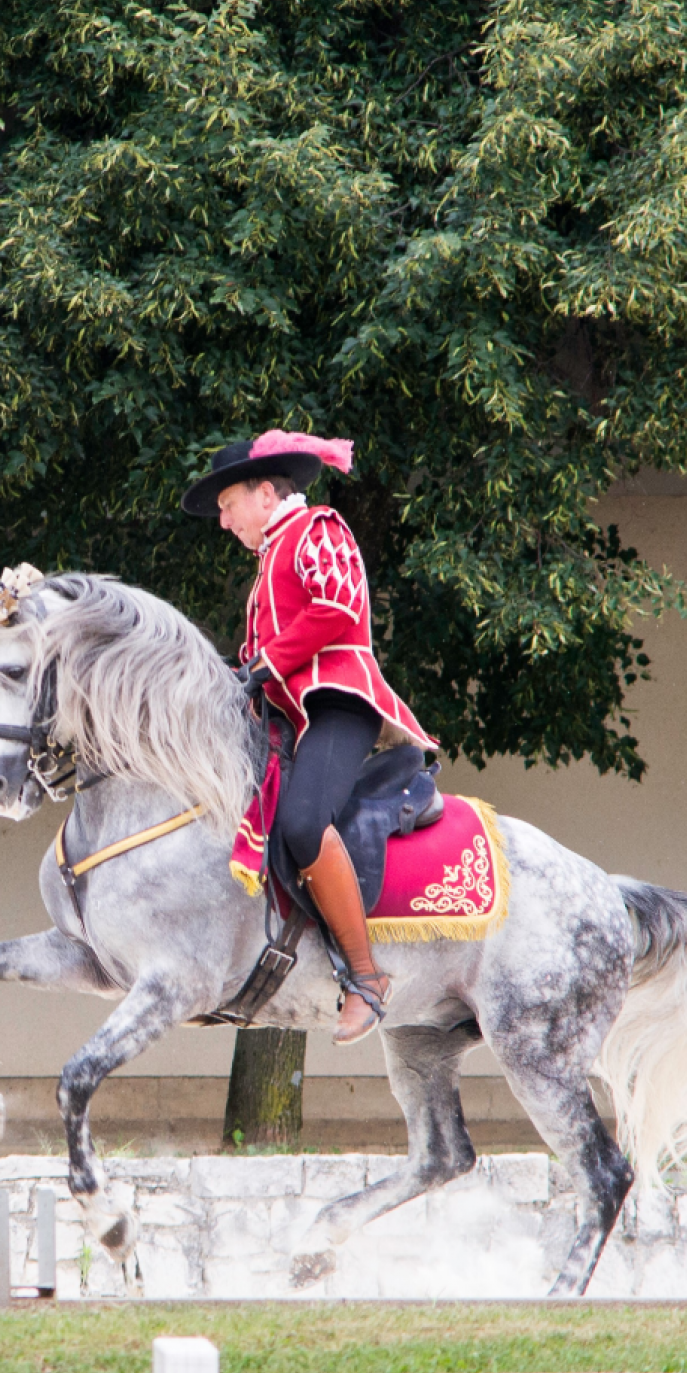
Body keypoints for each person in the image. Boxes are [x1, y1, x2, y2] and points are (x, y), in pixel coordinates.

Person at [182, 431, 438, 1043]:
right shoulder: (271, 557)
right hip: (297, 716)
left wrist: (266, 664)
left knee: (300, 825)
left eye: (228, 505)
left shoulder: (319, 529)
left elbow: (336, 609)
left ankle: (367, 976)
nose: (223, 521)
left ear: (266, 492)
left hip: (340, 705)